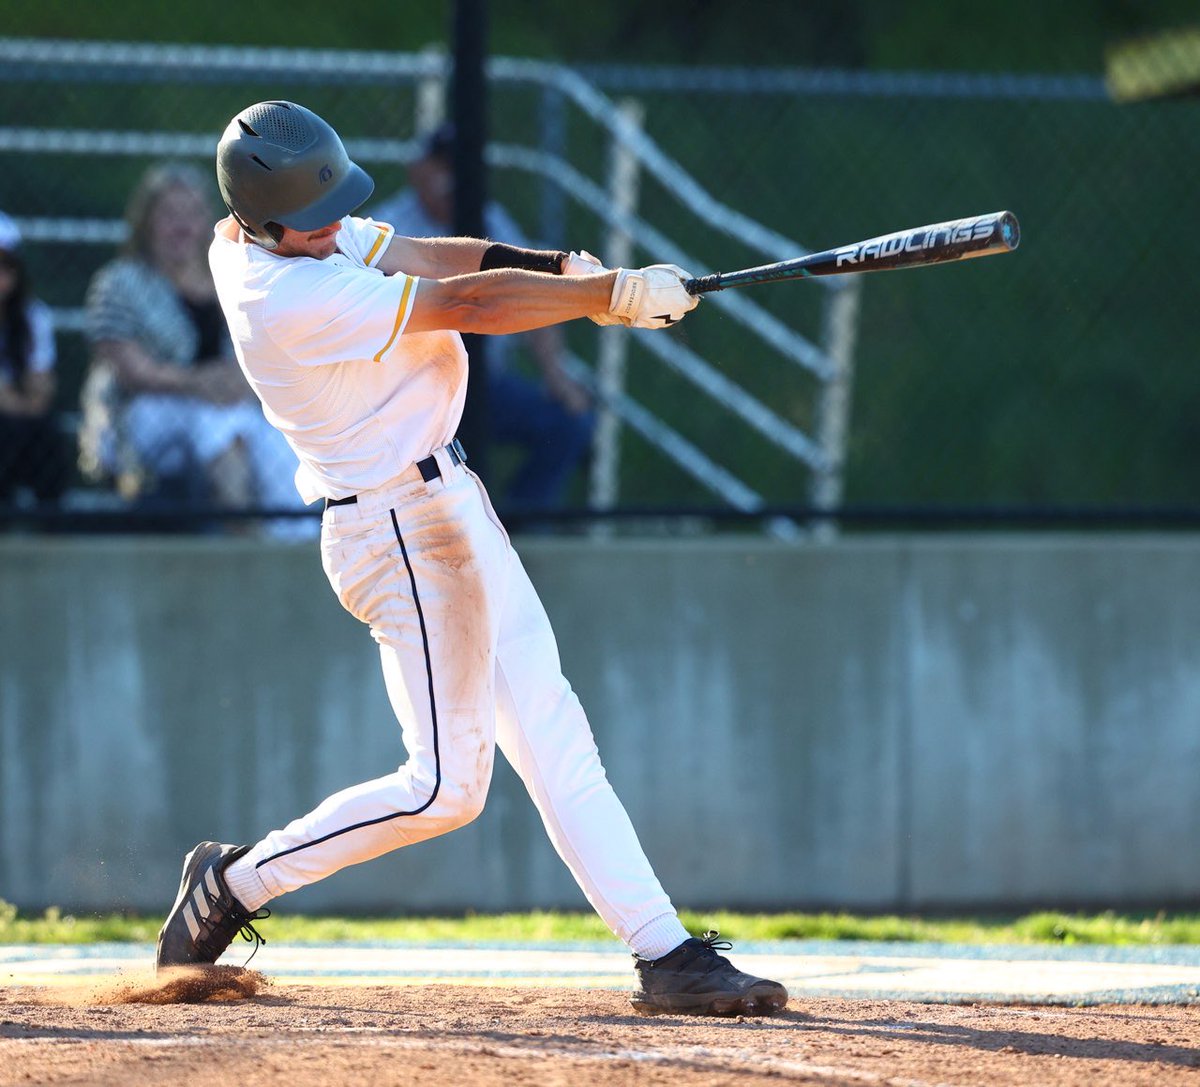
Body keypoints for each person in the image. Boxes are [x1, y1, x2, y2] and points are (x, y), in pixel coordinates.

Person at [155, 100, 787, 1018]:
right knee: (445, 789)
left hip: (447, 501)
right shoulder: (283, 295)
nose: (335, 225)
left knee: (555, 733)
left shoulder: (288, 232)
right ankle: (234, 882)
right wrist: (607, 297)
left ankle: (667, 951)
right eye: (314, 217)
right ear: (263, 221)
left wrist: (559, 269)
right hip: (397, 532)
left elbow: (428, 257)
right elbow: (469, 304)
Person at [372, 125, 594, 513]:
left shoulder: (489, 219)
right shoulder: (388, 227)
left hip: (484, 383)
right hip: (414, 391)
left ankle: (518, 522)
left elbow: (533, 291)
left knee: (567, 423)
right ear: (418, 169)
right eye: (441, 165)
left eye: (457, 167)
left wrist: (556, 375)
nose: (449, 177)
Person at [81, 162, 311, 532]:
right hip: (143, 411)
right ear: (146, 221)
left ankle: (291, 541)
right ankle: (243, 530)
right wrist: (200, 383)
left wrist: (236, 383)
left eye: (192, 213)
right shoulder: (118, 282)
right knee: (222, 423)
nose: (182, 225)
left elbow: (264, 351)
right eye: (169, 214)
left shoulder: (232, 277)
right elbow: (131, 371)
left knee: (278, 443)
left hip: (228, 404)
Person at [0, 211, 68, 506]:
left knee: (45, 434)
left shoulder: (32, 317)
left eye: (5, 265)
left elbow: (40, 392)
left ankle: (49, 522)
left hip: (18, 422)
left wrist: (19, 401)